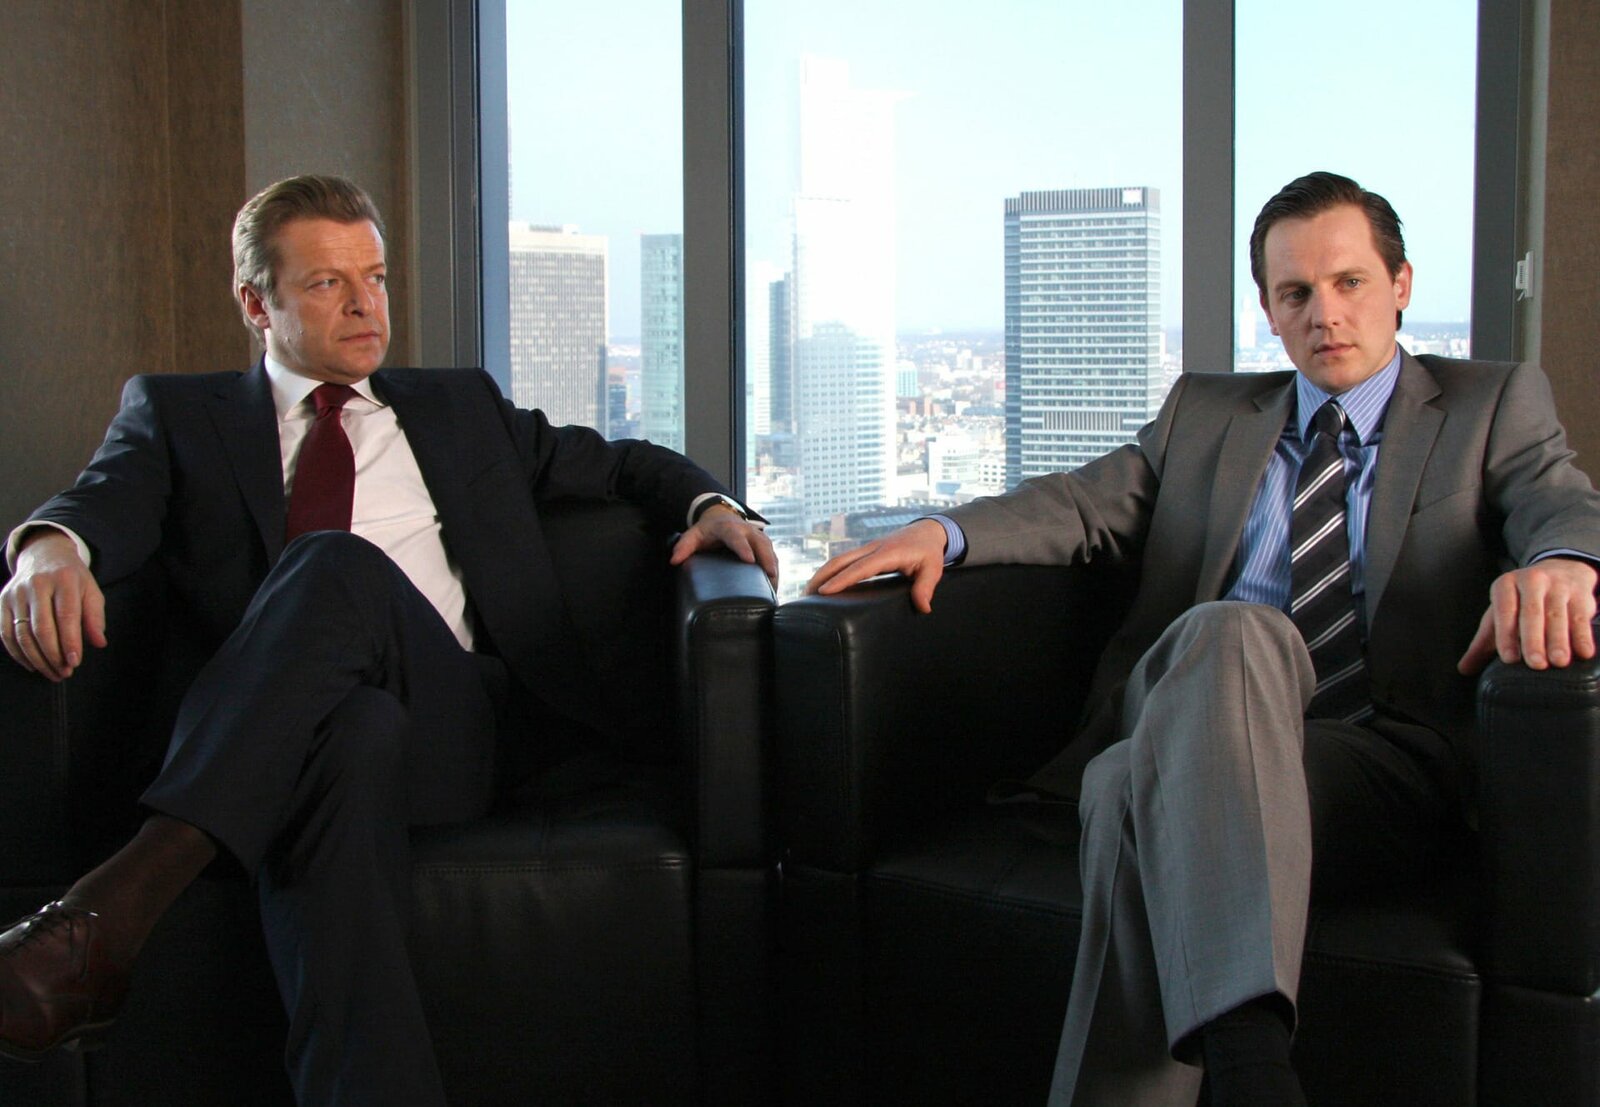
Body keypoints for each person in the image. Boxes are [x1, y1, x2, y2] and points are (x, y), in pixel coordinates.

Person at [807, 171, 1600, 1105]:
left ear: (1401, 285)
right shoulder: (1208, 414)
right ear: (1268, 310)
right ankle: (1253, 1064)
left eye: (1349, 282)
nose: (1324, 314)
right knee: (1228, 636)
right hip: (1194, 715)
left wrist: (1563, 562)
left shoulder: (1489, 406)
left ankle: (1242, 1062)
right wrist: (944, 531)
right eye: (1295, 293)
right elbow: (1082, 503)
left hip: (1376, 759)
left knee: (1126, 786)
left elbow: (1560, 500)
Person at [0, 174, 775, 1106]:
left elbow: (623, 464)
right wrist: (48, 547)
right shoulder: (179, 417)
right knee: (351, 734)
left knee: (335, 566)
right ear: (257, 304)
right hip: (297, 745)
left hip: (464, 727)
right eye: (328, 283)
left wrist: (711, 505)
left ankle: (113, 910)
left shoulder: (459, 408)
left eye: (374, 276)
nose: (367, 305)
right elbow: (100, 501)